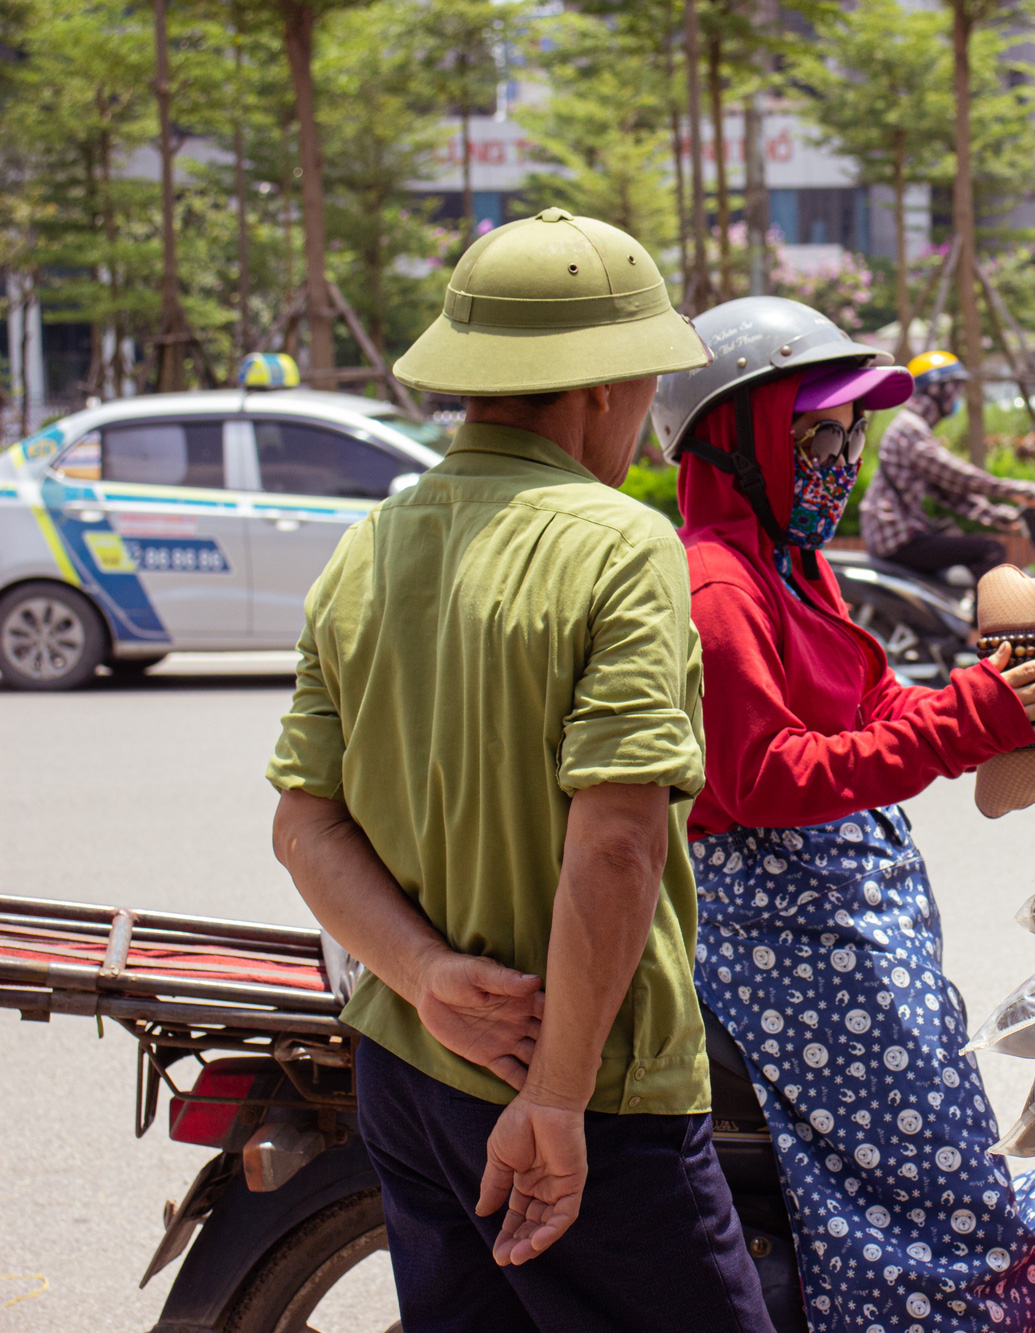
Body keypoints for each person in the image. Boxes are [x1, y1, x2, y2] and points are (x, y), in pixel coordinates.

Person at [266, 208, 774, 1333]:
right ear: (599, 385)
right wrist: (551, 1095)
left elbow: (304, 829)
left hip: (410, 1068)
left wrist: (424, 973)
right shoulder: (621, 544)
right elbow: (617, 841)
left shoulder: (367, 547)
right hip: (588, 1091)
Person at [653, 297, 1035, 1333]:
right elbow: (764, 777)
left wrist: (991, 705)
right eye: (817, 435)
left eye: (849, 434)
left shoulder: (794, 563)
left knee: (949, 1131)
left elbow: (869, 709)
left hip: (844, 908)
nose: (842, 457)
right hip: (787, 929)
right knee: (939, 1187)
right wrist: (965, 723)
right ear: (735, 444)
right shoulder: (714, 587)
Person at [860, 349, 1035, 582]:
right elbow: (959, 477)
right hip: (896, 537)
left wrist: (997, 516)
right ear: (936, 389)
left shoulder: (914, 428)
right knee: (990, 551)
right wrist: (1020, 490)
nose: (957, 398)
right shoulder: (909, 430)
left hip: (900, 534)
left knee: (962, 541)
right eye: (955, 389)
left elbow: (949, 493)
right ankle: (985, 620)